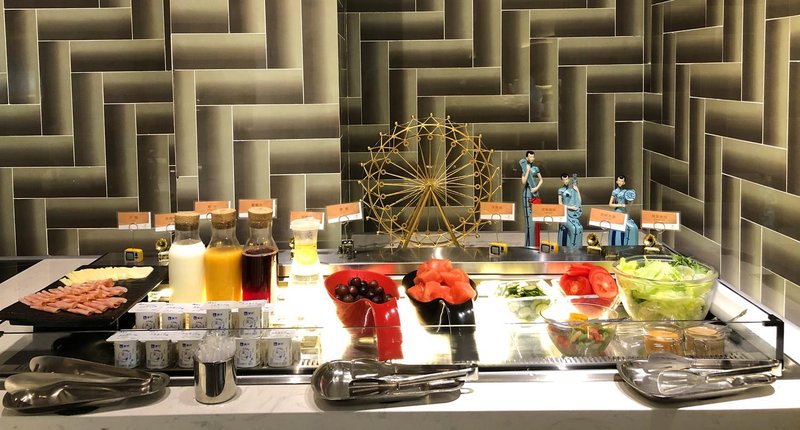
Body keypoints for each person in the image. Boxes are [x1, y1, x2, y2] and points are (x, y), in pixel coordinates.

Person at [520, 151, 543, 248]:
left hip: (534, 193)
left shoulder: (536, 168)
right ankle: (528, 244)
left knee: (534, 219)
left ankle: (534, 243)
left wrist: (536, 188)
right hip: (527, 195)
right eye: (530, 157)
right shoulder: (524, 168)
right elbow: (523, 181)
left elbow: (541, 180)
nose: (532, 158)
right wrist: (527, 171)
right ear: (526, 158)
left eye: (533, 157)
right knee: (528, 221)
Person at [608, 175, 639, 246]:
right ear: (616, 181)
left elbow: (629, 204)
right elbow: (610, 204)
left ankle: (625, 244)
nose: (620, 182)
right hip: (618, 212)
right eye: (619, 181)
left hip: (624, 212)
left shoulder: (626, 192)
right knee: (616, 229)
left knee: (627, 229)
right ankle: (615, 244)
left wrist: (632, 197)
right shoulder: (614, 192)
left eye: (622, 181)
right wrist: (620, 205)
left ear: (624, 183)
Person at [557, 173, 583, 247]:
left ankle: (577, 247)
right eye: (564, 180)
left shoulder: (572, 190)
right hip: (564, 214)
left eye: (567, 179)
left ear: (569, 179)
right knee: (574, 228)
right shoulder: (560, 190)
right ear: (562, 180)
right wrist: (570, 207)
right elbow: (560, 204)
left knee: (580, 227)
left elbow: (579, 201)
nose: (566, 181)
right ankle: (570, 247)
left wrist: (577, 190)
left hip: (572, 214)